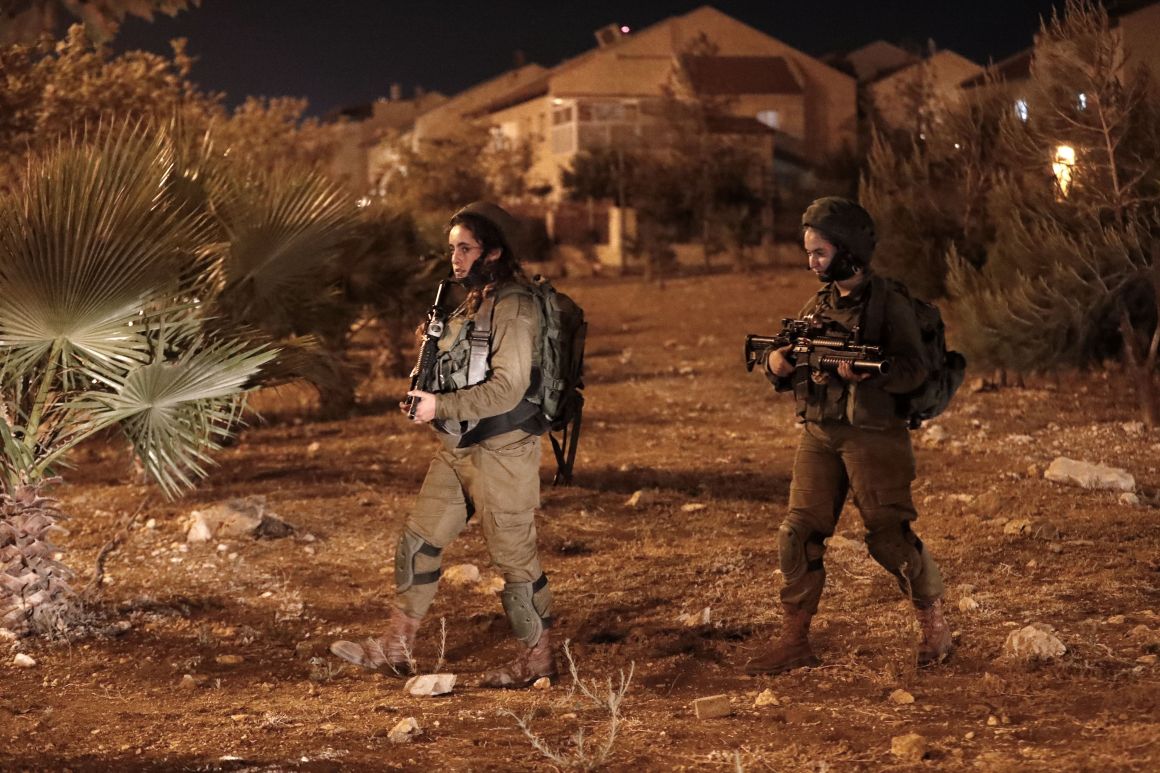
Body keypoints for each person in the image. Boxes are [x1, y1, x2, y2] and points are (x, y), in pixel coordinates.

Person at [331, 201, 556, 689]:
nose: (455, 258)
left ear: (493, 251)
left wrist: (440, 407)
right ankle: (396, 647)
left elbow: (509, 388)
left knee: (514, 559)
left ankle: (537, 659)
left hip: (503, 450)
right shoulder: (471, 300)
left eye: (466, 248)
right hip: (458, 447)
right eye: (452, 248)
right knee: (418, 542)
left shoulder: (515, 305)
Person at [745, 196, 953, 674]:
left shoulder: (889, 303)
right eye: (809, 253)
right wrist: (778, 365)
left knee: (888, 538)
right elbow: (784, 360)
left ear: (848, 250)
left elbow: (913, 371)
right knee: (797, 535)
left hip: (872, 435)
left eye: (819, 252)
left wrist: (868, 375)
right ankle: (794, 641)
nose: (811, 262)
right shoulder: (818, 303)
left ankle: (935, 628)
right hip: (819, 433)